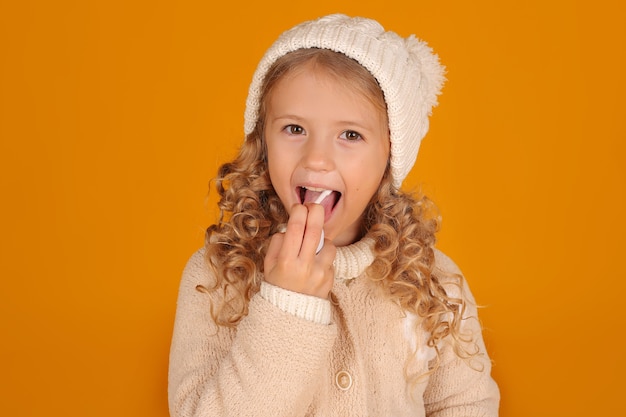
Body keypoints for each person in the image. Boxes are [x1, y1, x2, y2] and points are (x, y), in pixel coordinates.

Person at [168, 14, 500, 417]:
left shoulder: (433, 281)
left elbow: (465, 403)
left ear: (390, 159)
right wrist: (286, 304)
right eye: (294, 129)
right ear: (263, 142)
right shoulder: (217, 275)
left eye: (350, 135)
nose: (317, 158)